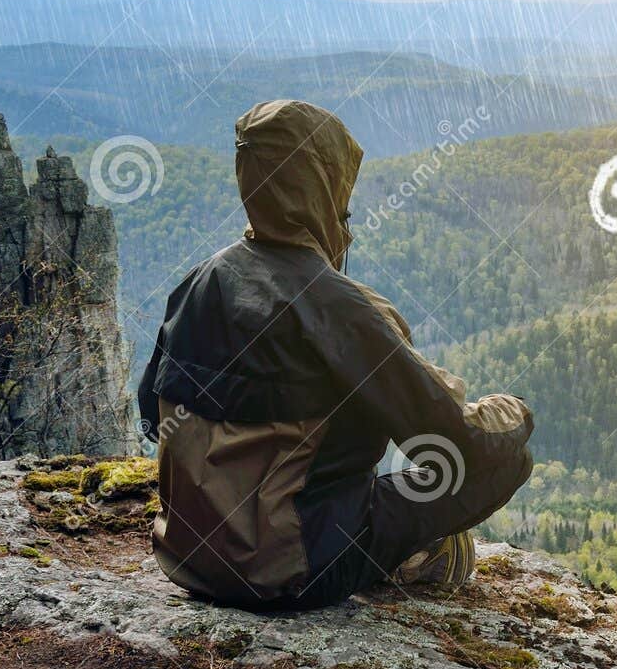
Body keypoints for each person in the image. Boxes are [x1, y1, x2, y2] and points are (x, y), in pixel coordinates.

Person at [137, 99, 533, 609]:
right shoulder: (338, 307)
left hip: (186, 555)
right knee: (508, 460)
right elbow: (452, 436)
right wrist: (516, 412)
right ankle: (414, 557)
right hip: (295, 567)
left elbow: (152, 413)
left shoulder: (200, 281)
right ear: (326, 185)